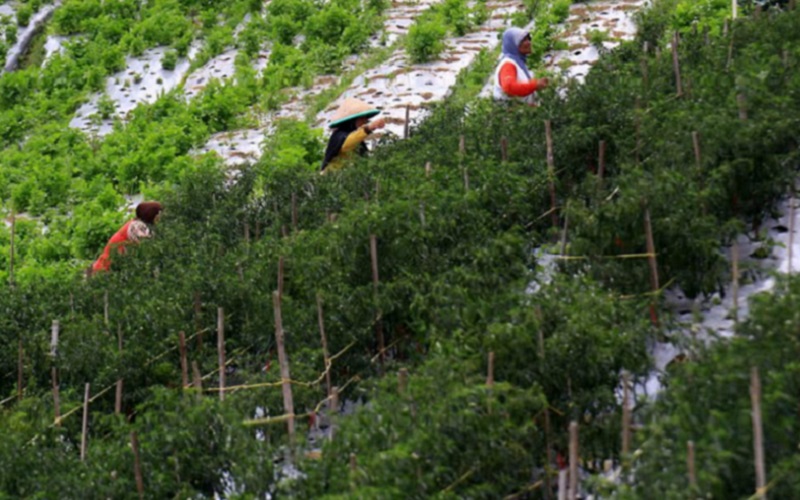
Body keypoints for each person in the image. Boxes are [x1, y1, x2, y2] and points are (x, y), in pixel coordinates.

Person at [91, 201, 163, 274]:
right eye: (158, 214)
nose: (160, 218)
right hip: (107, 270)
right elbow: (150, 247)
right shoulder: (136, 227)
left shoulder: (138, 223)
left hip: (111, 267)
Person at [321, 98, 386, 172]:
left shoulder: (358, 140)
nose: (364, 121)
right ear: (352, 121)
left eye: (365, 119)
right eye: (361, 119)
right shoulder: (339, 136)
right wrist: (369, 128)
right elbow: (348, 143)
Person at [493, 27, 549, 105]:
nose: (528, 43)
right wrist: (534, 85)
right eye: (523, 41)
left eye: (528, 39)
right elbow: (509, 87)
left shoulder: (518, 64)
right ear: (513, 45)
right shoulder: (508, 64)